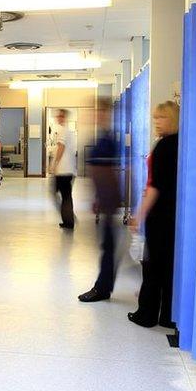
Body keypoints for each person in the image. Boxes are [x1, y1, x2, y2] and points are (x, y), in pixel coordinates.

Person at [128, 101, 180, 328]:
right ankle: (169, 315)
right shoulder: (180, 144)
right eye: (155, 118)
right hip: (175, 212)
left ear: (173, 119)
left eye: (162, 118)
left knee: (152, 265)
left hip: (160, 214)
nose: (157, 122)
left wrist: (139, 215)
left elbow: (155, 187)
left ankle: (146, 314)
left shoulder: (164, 146)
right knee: (169, 265)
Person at [78, 97, 120, 303]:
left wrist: (105, 199)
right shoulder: (102, 137)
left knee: (108, 244)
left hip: (109, 199)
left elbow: (109, 173)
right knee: (107, 244)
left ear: (106, 113)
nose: (96, 115)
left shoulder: (108, 140)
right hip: (104, 198)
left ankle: (102, 288)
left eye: (100, 112)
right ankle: (104, 285)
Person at [50, 109, 78, 229]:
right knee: (65, 196)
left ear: (65, 118)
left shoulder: (63, 131)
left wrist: (55, 164)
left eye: (61, 116)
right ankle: (69, 219)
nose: (59, 118)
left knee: (59, 195)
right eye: (58, 116)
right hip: (68, 170)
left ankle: (69, 219)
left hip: (63, 171)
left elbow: (61, 148)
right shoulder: (70, 132)